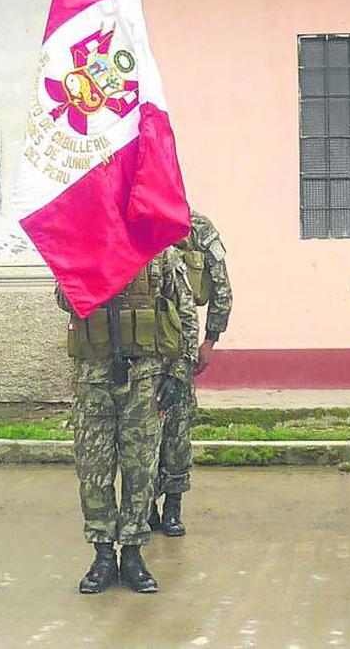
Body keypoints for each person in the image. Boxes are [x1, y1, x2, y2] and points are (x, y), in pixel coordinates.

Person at [58, 246, 198, 594]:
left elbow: (186, 312)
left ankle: (133, 553)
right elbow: (63, 298)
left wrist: (179, 373)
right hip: (94, 379)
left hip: (146, 377)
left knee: (141, 469)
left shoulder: (161, 253)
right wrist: (94, 265)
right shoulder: (83, 246)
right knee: (94, 470)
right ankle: (103, 554)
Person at [151, 209, 232, 537]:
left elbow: (222, 287)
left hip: (180, 344)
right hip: (138, 348)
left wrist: (210, 340)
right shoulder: (134, 222)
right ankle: (144, 508)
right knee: (141, 434)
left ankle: (172, 506)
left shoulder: (197, 226)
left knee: (177, 431)